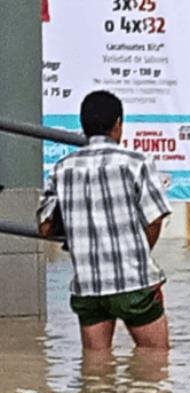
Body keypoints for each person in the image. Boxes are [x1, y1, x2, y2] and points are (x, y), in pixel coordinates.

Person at [37, 90, 172, 351]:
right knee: (154, 363)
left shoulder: (63, 169)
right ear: (118, 124)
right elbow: (154, 220)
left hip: (88, 287)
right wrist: (139, 258)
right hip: (134, 283)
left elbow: (45, 227)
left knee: (95, 371)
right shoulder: (137, 163)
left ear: (84, 126)